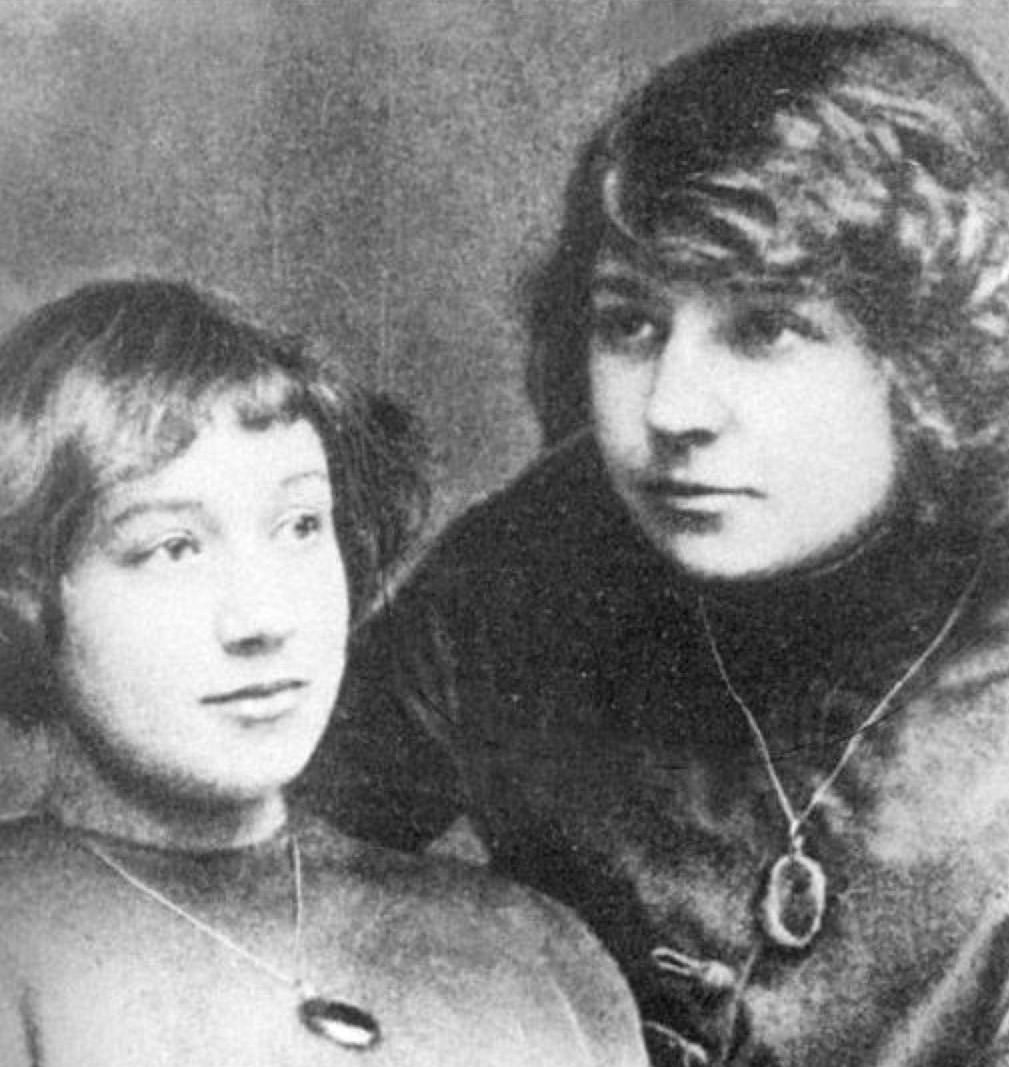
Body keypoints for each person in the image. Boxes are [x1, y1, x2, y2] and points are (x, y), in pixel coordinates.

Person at [301, 20, 1009, 1067]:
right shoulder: (534, 560)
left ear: (928, 361)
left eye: (764, 329)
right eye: (630, 324)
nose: (672, 408)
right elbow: (260, 865)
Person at [0, 278, 648, 1067]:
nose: (265, 617)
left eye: (301, 525)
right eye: (174, 547)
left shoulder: (536, 946)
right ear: (26, 594)